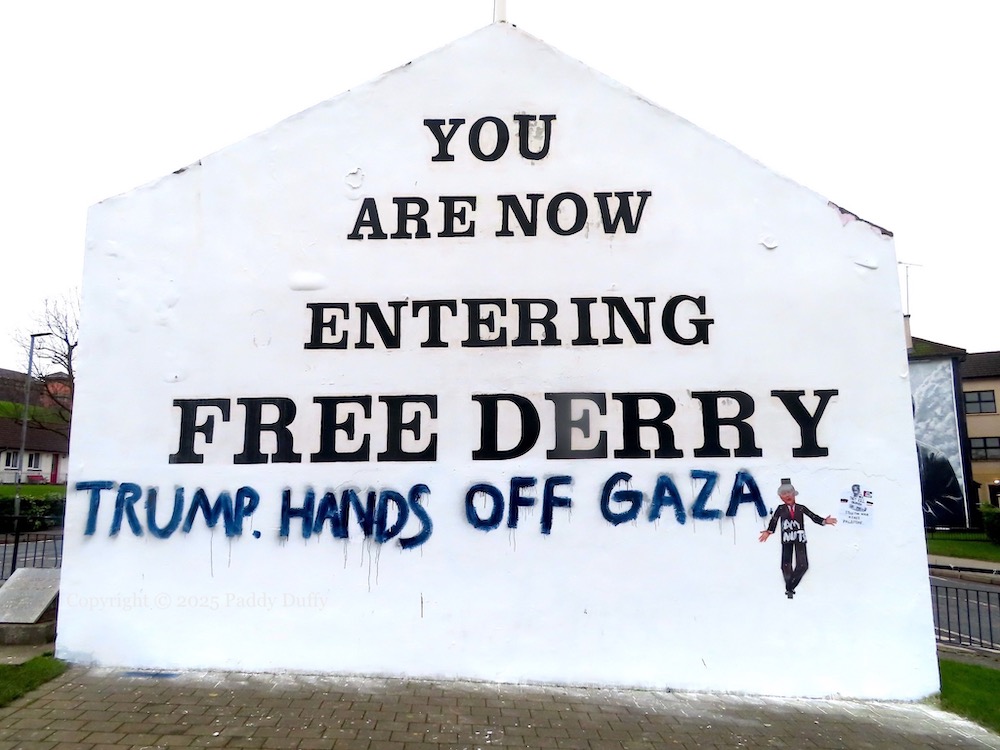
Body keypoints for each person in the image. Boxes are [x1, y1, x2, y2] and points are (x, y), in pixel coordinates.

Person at [759, 478, 837, 598]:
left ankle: (790, 587)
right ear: (780, 497)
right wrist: (769, 531)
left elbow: (813, 516)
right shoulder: (780, 509)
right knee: (786, 565)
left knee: (803, 565)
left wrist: (824, 521)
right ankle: (790, 589)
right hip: (786, 539)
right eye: (784, 494)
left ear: (794, 494)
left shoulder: (801, 508)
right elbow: (774, 521)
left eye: (789, 492)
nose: (787, 496)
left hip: (800, 538)